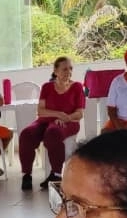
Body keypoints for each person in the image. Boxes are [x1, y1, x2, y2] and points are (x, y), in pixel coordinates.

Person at [17, 56, 85, 191]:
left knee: (53, 133)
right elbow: (40, 111)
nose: (68, 72)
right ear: (55, 71)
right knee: (26, 134)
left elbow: (79, 113)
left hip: (69, 122)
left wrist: (66, 117)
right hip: (45, 120)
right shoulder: (47, 87)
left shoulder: (77, 87)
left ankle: (56, 175)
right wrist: (58, 114)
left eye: (70, 69)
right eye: (64, 69)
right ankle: (27, 175)